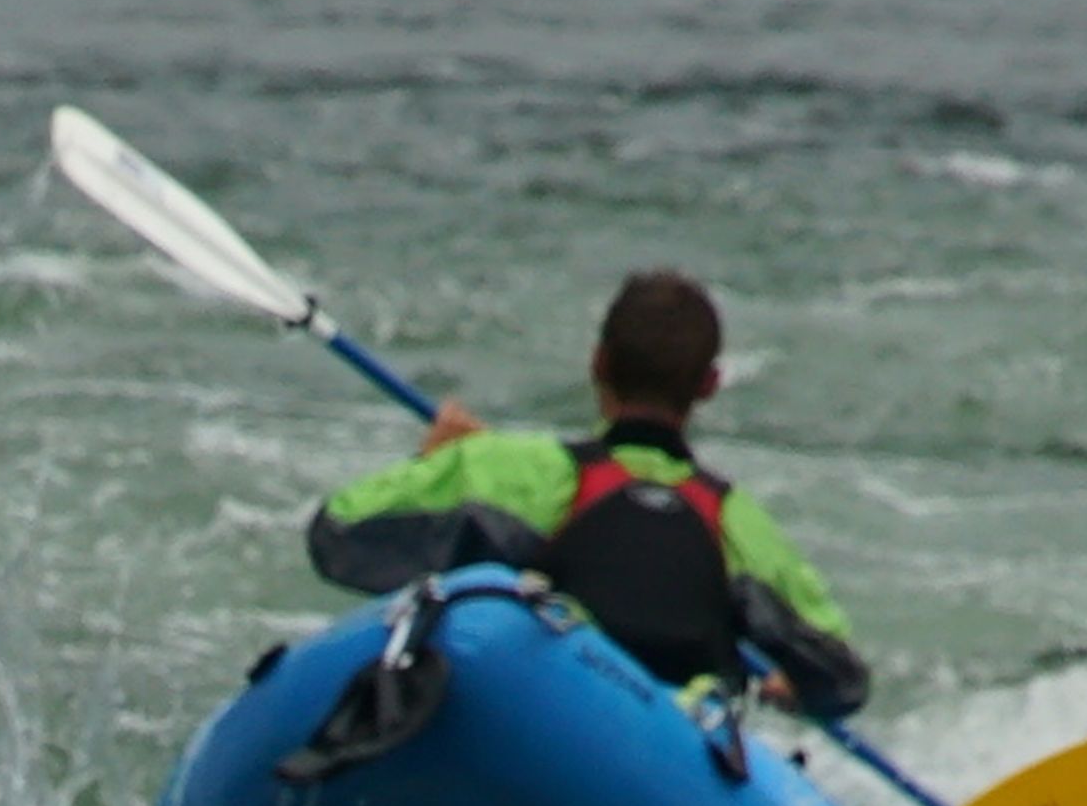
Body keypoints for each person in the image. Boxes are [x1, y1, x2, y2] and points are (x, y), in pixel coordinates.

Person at [303, 269, 872, 720]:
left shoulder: (509, 468)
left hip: (523, 709)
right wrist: (784, 687)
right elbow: (841, 677)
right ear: (709, 386)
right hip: (665, 745)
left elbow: (339, 534)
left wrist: (436, 461)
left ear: (598, 363)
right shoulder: (736, 523)